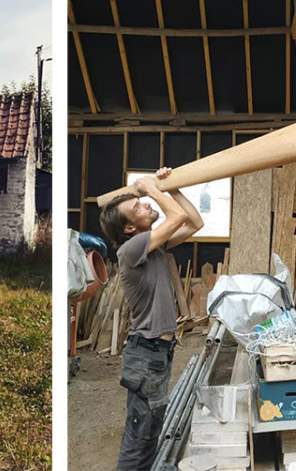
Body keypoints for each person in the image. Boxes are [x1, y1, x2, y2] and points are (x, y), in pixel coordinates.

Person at [99, 167, 204, 471]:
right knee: (141, 434)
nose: (146, 204)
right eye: (138, 206)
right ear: (129, 228)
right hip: (147, 354)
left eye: (143, 201)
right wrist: (153, 186)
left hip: (155, 353)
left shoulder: (152, 247)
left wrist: (172, 187)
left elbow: (195, 221)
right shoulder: (131, 250)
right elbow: (177, 218)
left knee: (148, 430)